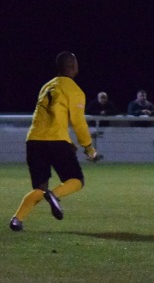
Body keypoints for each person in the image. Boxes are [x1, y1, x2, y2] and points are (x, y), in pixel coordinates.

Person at [9, 51, 99, 232]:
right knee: (76, 180)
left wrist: (68, 142)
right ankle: (54, 195)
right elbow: (78, 122)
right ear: (73, 66)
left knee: (40, 188)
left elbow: (50, 118)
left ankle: (17, 219)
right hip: (56, 141)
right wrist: (88, 147)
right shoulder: (74, 90)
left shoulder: (46, 86)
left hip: (34, 141)